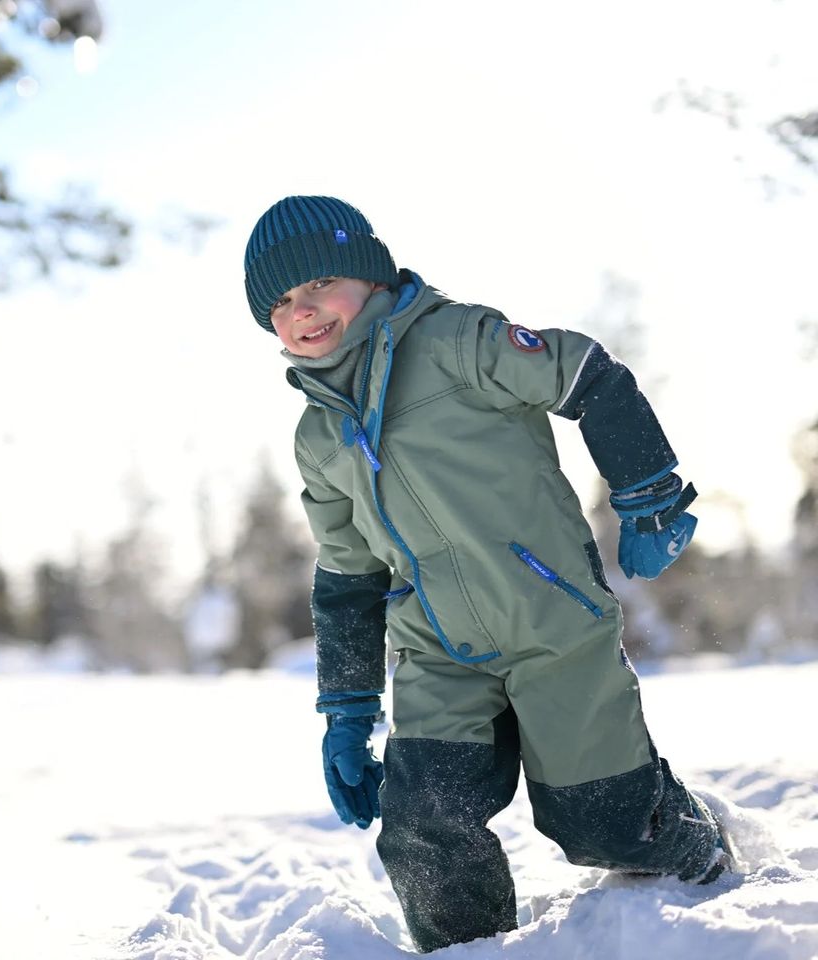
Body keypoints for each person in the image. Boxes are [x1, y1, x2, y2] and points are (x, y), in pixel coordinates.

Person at [243, 195, 732, 953]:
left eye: (319, 285)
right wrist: (346, 709)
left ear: (370, 276)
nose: (302, 311)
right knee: (423, 832)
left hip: (550, 622)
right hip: (437, 650)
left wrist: (649, 495)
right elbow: (346, 574)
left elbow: (587, 374)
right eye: (279, 302)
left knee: (602, 818)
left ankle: (700, 853)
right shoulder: (318, 433)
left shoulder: (455, 340)